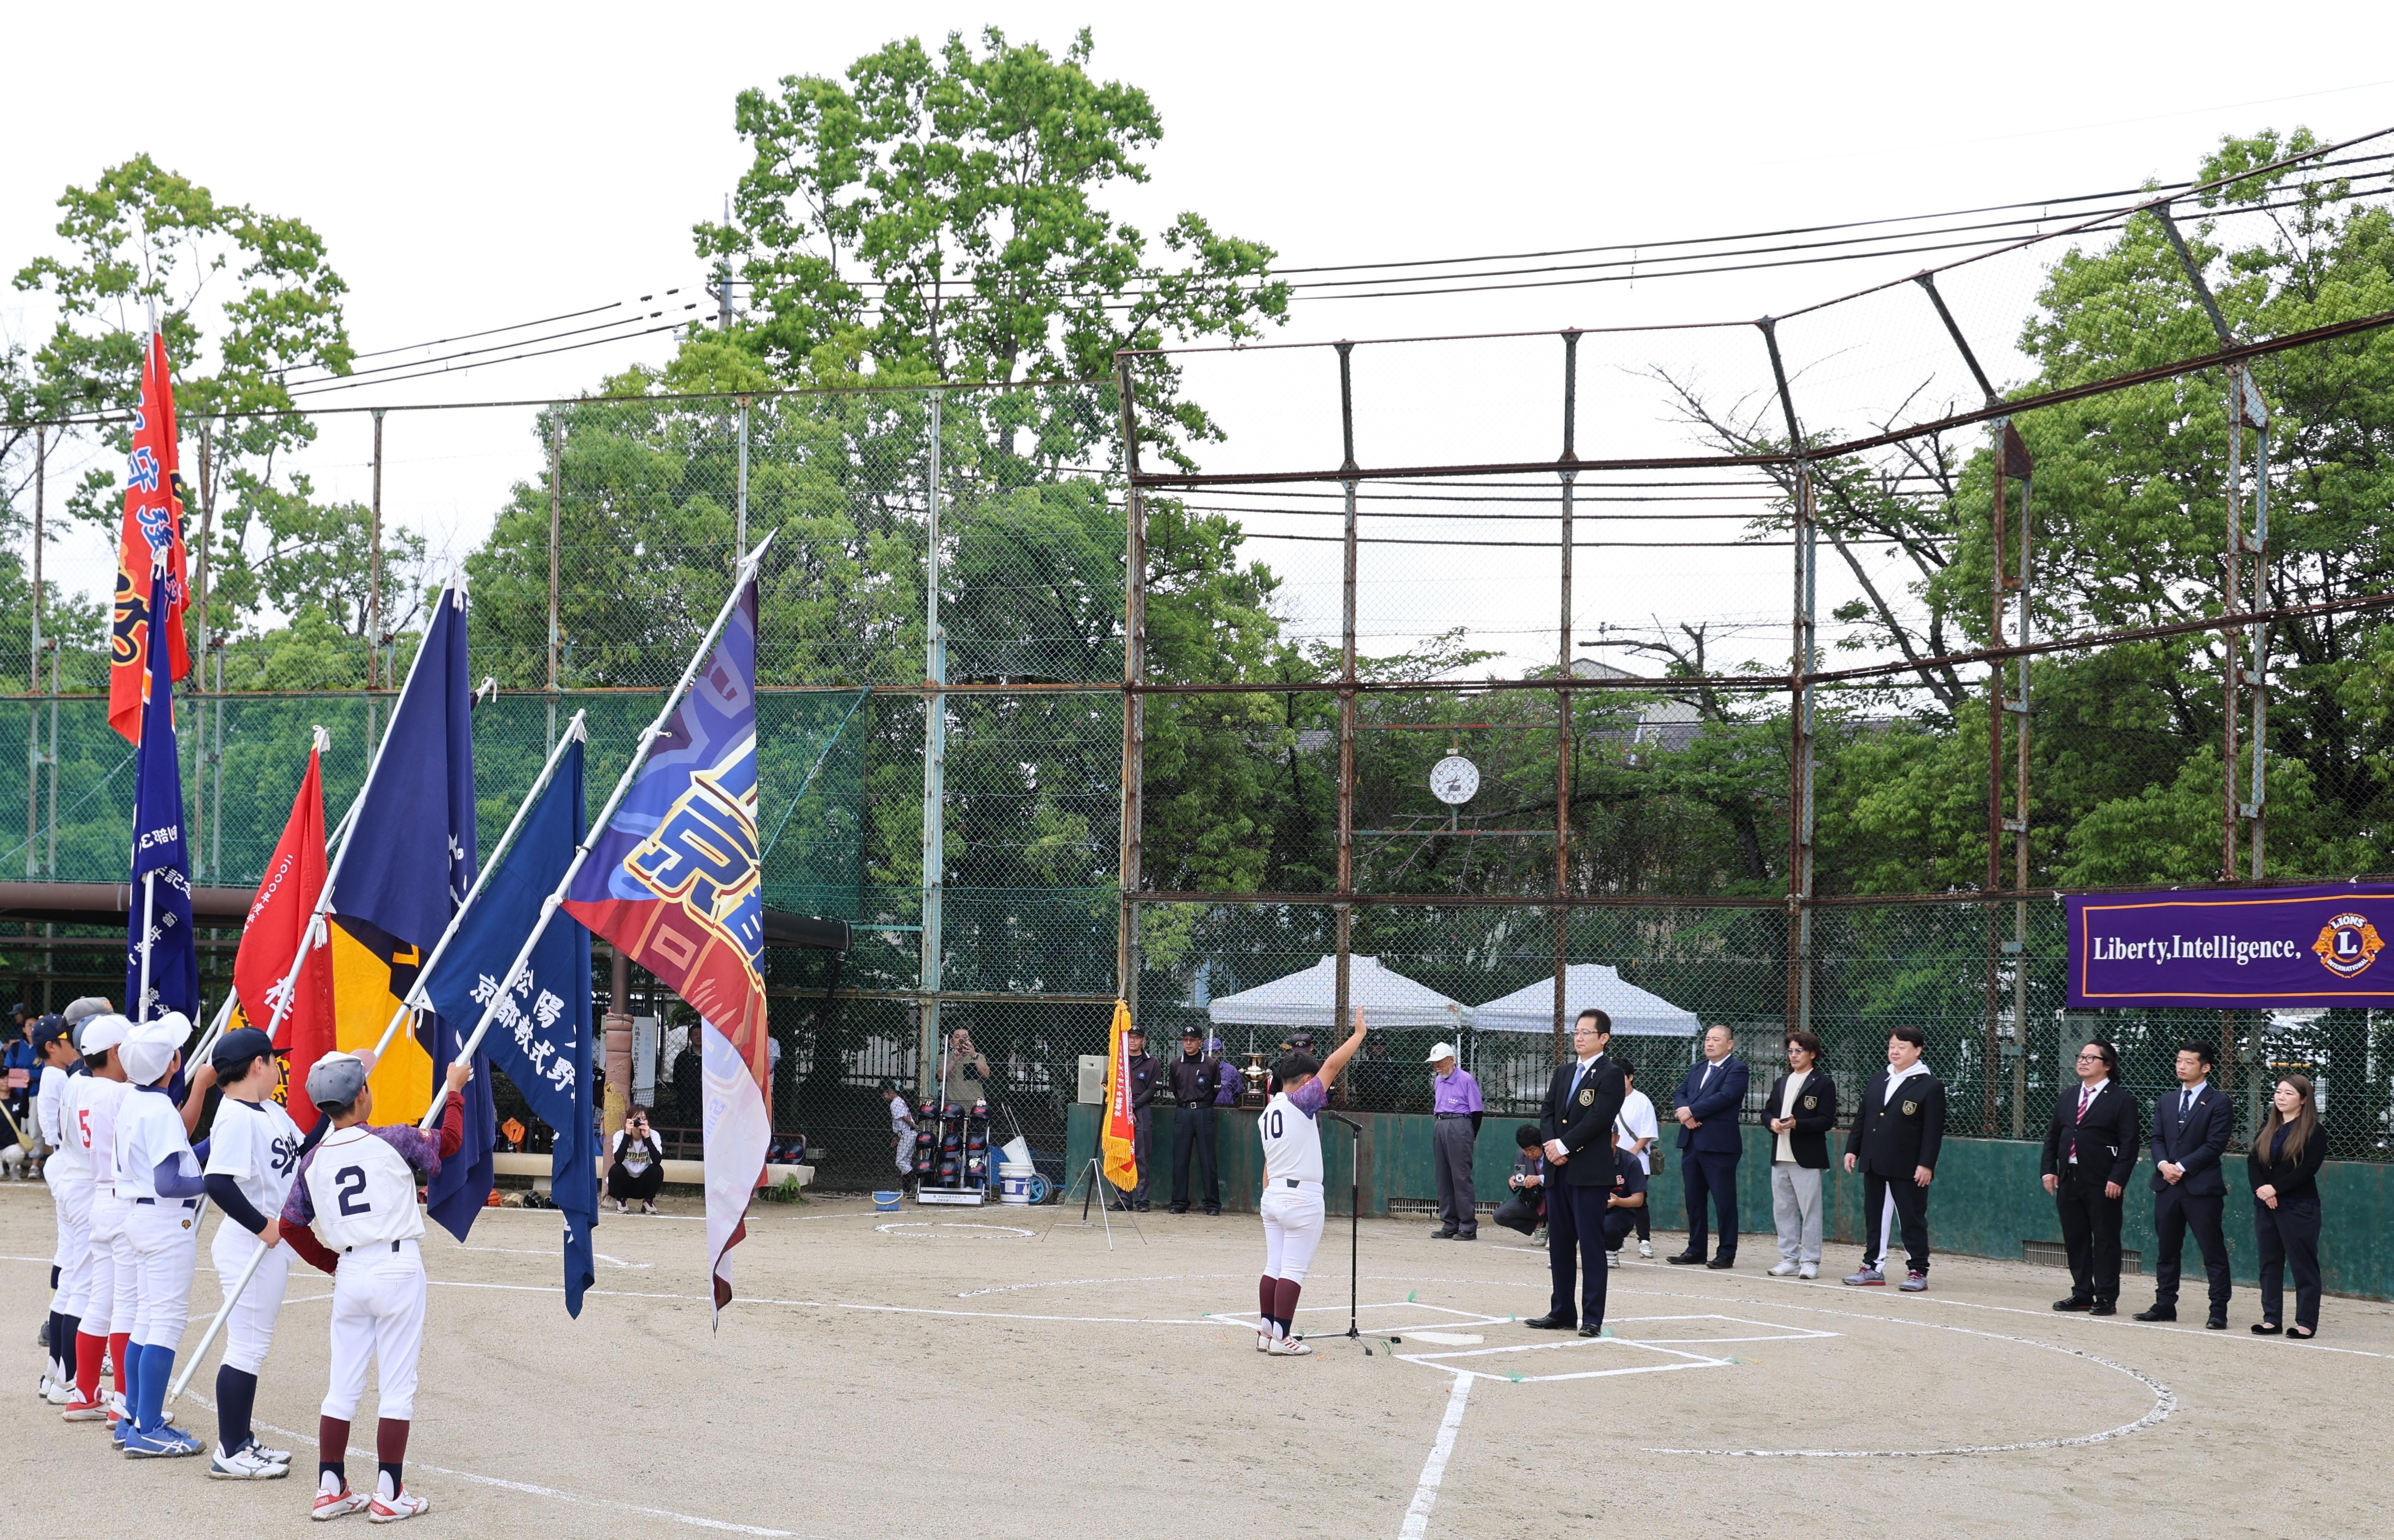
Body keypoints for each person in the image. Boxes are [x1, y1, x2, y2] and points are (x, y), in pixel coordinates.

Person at [279, 1050, 472, 1522]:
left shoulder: (313, 1160)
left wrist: (332, 1263)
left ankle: (330, 1486)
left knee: (342, 1384)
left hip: (351, 1269)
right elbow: (449, 1141)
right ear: (362, 1093)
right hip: (396, 1264)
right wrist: (454, 1092)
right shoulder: (393, 1139)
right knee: (397, 1384)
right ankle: (389, 1491)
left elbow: (289, 1225)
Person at [200, 1026, 305, 1478]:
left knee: (253, 1345)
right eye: (274, 1059)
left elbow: (305, 1150)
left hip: (267, 1241)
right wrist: (263, 1226)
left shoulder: (269, 1110)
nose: (279, 1066)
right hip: (251, 1242)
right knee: (247, 1346)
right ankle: (230, 1450)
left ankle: (241, 1439)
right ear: (258, 1064)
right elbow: (217, 1181)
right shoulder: (234, 1116)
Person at [112, 1013, 218, 1457]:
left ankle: (133, 1418)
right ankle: (150, 1427)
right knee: (166, 1322)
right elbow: (170, 1181)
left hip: (140, 1217)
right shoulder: (159, 1110)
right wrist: (216, 1182)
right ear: (173, 1062)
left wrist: (213, 1146)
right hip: (165, 1220)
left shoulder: (135, 1100)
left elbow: (174, 1161)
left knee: (146, 1318)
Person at [1253, 1011, 1367, 1358]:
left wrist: (1268, 1195)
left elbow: (1268, 1160)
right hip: (1300, 1197)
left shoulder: (1268, 1111)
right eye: (1313, 1079)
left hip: (1273, 1193)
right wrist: (1358, 1035)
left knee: (1274, 1266)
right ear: (1305, 1080)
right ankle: (1281, 1337)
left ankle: (1267, 1331)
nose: (1319, 1083)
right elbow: (1331, 1066)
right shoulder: (1300, 1100)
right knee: (1292, 1269)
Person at [1527, 1008, 1628, 1338]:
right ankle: (1562, 1312)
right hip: (1558, 1171)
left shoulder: (1610, 1074)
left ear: (1604, 1038)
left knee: (1591, 1244)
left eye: (1587, 1032)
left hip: (1588, 1172)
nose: (1579, 1037)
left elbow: (1599, 1118)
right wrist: (1551, 1147)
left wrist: (1565, 1146)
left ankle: (1592, 1317)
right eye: (1576, 1032)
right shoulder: (1564, 1071)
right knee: (1560, 1244)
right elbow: (1548, 1111)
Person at [62, 1017, 133, 1433]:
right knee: (126, 1304)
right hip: (121, 1197)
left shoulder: (83, 1087)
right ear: (114, 1051)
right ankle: (123, 1402)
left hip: (98, 1195)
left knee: (99, 1299)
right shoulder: (122, 1092)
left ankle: (84, 1391)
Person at [2138, 1040, 2234, 1328]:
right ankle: (2165, 1305)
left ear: (2206, 1068)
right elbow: (2157, 1138)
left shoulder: (2220, 1102)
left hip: (2201, 1189)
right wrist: (2163, 1165)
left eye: (2189, 1062)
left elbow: (2215, 1145)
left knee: (2212, 1251)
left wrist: (2180, 1167)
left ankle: (2218, 1310)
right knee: (2167, 1250)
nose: (2181, 1066)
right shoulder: (2167, 1100)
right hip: (2167, 1186)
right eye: (2179, 1060)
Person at [2042, 1039, 2141, 1316]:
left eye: (2091, 1058)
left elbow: (2129, 1144)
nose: (2083, 1062)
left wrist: (2118, 1178)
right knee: (2076, 1237)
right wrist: (2049, 1169)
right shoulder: (2069, 1095)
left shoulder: (2122, 1100)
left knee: (2106, 1238)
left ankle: (2106, 1297)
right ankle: (2082, 1293)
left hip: (2103, 1180)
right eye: (2081, 1057)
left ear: (2107, 1065)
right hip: (2069, 1176)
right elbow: (2054, 1136)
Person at [1843, 1026, 1946, 1291]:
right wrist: (1853, 1149)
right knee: (1875, 1216)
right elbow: (1863, 1117)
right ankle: (1873, 1268)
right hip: (1874, 1161)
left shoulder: (1929, 1086)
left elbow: (1933, 1131)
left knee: (1911, 1218)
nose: (1895, 1051)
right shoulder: (1879, 1079)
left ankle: (1918, 1271)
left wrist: (1926, 1164)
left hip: (1908, 1166)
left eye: (1902, 1047)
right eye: (1892, 1046)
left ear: (1918, 1050)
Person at [2248, 1074, 2326, 1339]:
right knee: (2269, 1264)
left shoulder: (2314, 1131)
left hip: (2299, 1207)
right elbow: (2253, 1162)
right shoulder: (2267, 1127)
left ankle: (2306, 1323)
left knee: (2303, 1266)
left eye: (2289, 1093)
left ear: (2303, 1100)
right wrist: (2263, 1190)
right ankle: (2271, 1320)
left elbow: (2308, 1169)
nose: (2281, 1097)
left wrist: (2276, 1189)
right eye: (2279, 1092)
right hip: (2266, 1205)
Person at [32, 1015, 85, 1407]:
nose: (73, 1046)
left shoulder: (57, 1076)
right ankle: (67, 1376)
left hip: (62, 1165)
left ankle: (55, 1373)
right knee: (80, 1279)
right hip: (70, 1164)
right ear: (52, 1045)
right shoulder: (58, 1078)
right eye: (67, 1039)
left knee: (69, 1273)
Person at [1668, 1025, 1749, 1269]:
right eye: (1707, 1039)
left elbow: (1726, 1097)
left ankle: (1726, 1252)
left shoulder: (1737, 1069)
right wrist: (1686, 1115)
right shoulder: (1697, 1068)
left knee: (1724, 1201)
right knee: (1694, 1199)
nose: (1710, 1044)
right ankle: (1696, 1249)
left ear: (1730, 1044)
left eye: (1716, 1040)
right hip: (1692, 1141)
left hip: (1719, 1146)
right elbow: (1681, 1093)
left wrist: (1692, 1111)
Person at [1764, 1031, 1838, 1279]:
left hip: (1807, 1157)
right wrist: (1772, 1122)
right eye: (1790, 1051)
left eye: (1799, 1051)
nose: (1793, 1056)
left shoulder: (1823, 1083)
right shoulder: (1782, 1081)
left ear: (1812, 1054)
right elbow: (1767, 1112)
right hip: (1780, 1155)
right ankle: (1789, 1259)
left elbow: (1826, 1120)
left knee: (1810, 1211)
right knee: (1783, 1210)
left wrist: (1798, 1125)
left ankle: (1811, 1261)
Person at [1167, 1027, 1228, 1216]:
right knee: (1180, 1159)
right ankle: (1179, 1202)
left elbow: (1215, 1090)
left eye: (1192, 1040)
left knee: (1208, 1160)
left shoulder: (1210, 1064)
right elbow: (1175, 1091)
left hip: (1204, 1112)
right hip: (1183, 1113)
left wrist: (1202, 1104)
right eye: (1185, 1039)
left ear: (1201, 1042)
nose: (1188, 1043)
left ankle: (1212, 1204)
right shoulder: (1176, 1064)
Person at [1425, 1041, 1483, 1241]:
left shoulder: (1466, 1079)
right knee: (1443, 1176)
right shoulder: (1438, 1080)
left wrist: (1470, 1134)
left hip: (1460, 1124)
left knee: (1461, 1176)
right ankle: (1450, 1224)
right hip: (1441, 1123)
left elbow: (1477, 1111)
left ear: (1451, 1060)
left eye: (1440, 1062)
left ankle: (1468, 1226)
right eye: (1435, 1063)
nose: (1437, 1067)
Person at [1613, 1061, 1658, 1258]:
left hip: (1636, 1160)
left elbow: (1648, 1131)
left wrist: (1633, 1152)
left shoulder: (1642, 1101)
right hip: (1611, 1162)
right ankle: (1617, 1239)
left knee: (1639, 1201)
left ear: (1630, 1078)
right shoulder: (1606, 1098)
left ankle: (1644, 1241)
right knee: (1613, 1199)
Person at [1122, 1026, 1159, 1212]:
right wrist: (1124, 1107)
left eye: (1137, 1038)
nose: (1133, 1041)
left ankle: (1143, 1200)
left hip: (1141, 1111)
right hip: (1121, 1112)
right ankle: (1123, 1199)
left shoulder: (1152, 1062)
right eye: (1130, 1037)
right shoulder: (1119, 1061)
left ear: (1144, 1041)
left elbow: (1152, 1090)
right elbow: (1107, 1083)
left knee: (1141, 1156)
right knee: (1122, 1155)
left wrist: (1134, 1106)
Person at [607, 1105, 665, 1214]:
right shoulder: (620, 1135)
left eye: (644, 1119)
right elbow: (618, 1160)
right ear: (629, 1120)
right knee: (616, 1169)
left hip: (643, 1183)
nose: (640, 1123)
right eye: (637, 1119)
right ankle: (621, 1200)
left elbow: (657, 1161)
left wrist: (647, 1138)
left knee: (657, 1169)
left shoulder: (654, 1135)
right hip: (625, 1182)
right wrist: (627, 1135)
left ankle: (648, 1201)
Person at [1493, 1124, 1546, 1237]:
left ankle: (1557, 1230)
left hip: (1554, 1201)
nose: (1529, 1154)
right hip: (1532, 1201)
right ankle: (1540, 1226)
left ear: (1541, 1145)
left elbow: (1561, 1179)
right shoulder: (1521, 1154)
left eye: (1532, 1150)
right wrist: (1514, 1182)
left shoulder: (1552, 1153)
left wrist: (1540, 1179)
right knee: (1500, 1215)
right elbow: (1519, 1176)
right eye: (1525, 1150)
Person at [1603, 1137, 1648, 1267]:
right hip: (1590, 1209)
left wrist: (1618, 1201)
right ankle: (1566, 1254)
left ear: (1617, 1138)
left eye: (1609, 1135)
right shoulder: (1586, 1159)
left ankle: (1611, 1250)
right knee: (1565, 1216)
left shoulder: (1630, 1161)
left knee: (1609, 1225)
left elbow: (1638, 1200)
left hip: (1620, 1212)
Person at [940, 1027, 990, 1109]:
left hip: (975, 1104)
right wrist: (954, 1061)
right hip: (952, 1104)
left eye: (965, 1037)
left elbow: (986, 1075)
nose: (961, 1040)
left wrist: (974, 1055)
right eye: (957, 1037)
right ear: (951, 1041)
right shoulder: (944, 1057)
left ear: (970, 1040)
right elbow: (941, 1076)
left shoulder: (979, 1056)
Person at [881, 1082, 917, 1187]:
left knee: (900, 1162)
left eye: (884, 1095)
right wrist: (898, 1136)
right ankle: (906, 1189)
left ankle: (916, 1177)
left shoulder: (895, 1103)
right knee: (906, 1162)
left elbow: (904, 1118)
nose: (884, 1098)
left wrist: (914, 1126)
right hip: (908, 1133)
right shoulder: (900, 1100)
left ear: (890, 1092)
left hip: (907, 1134)